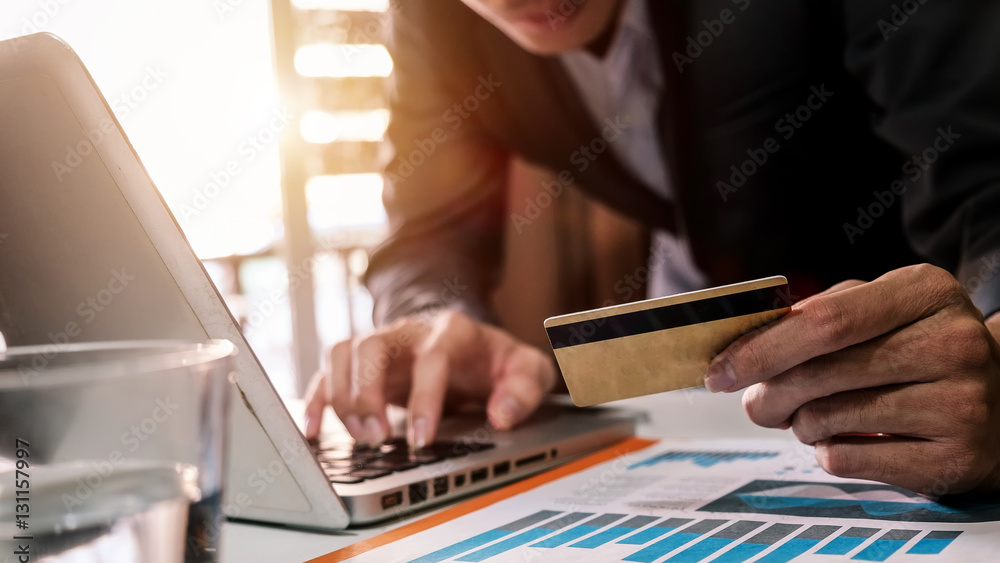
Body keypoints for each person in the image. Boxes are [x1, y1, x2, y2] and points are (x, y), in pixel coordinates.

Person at [305, 0, 1000, 497]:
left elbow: (984, 160)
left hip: (905, 390)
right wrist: (432, 313)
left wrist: (993, 345)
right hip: (700, 408)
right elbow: (430, 229)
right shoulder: (435, 20)